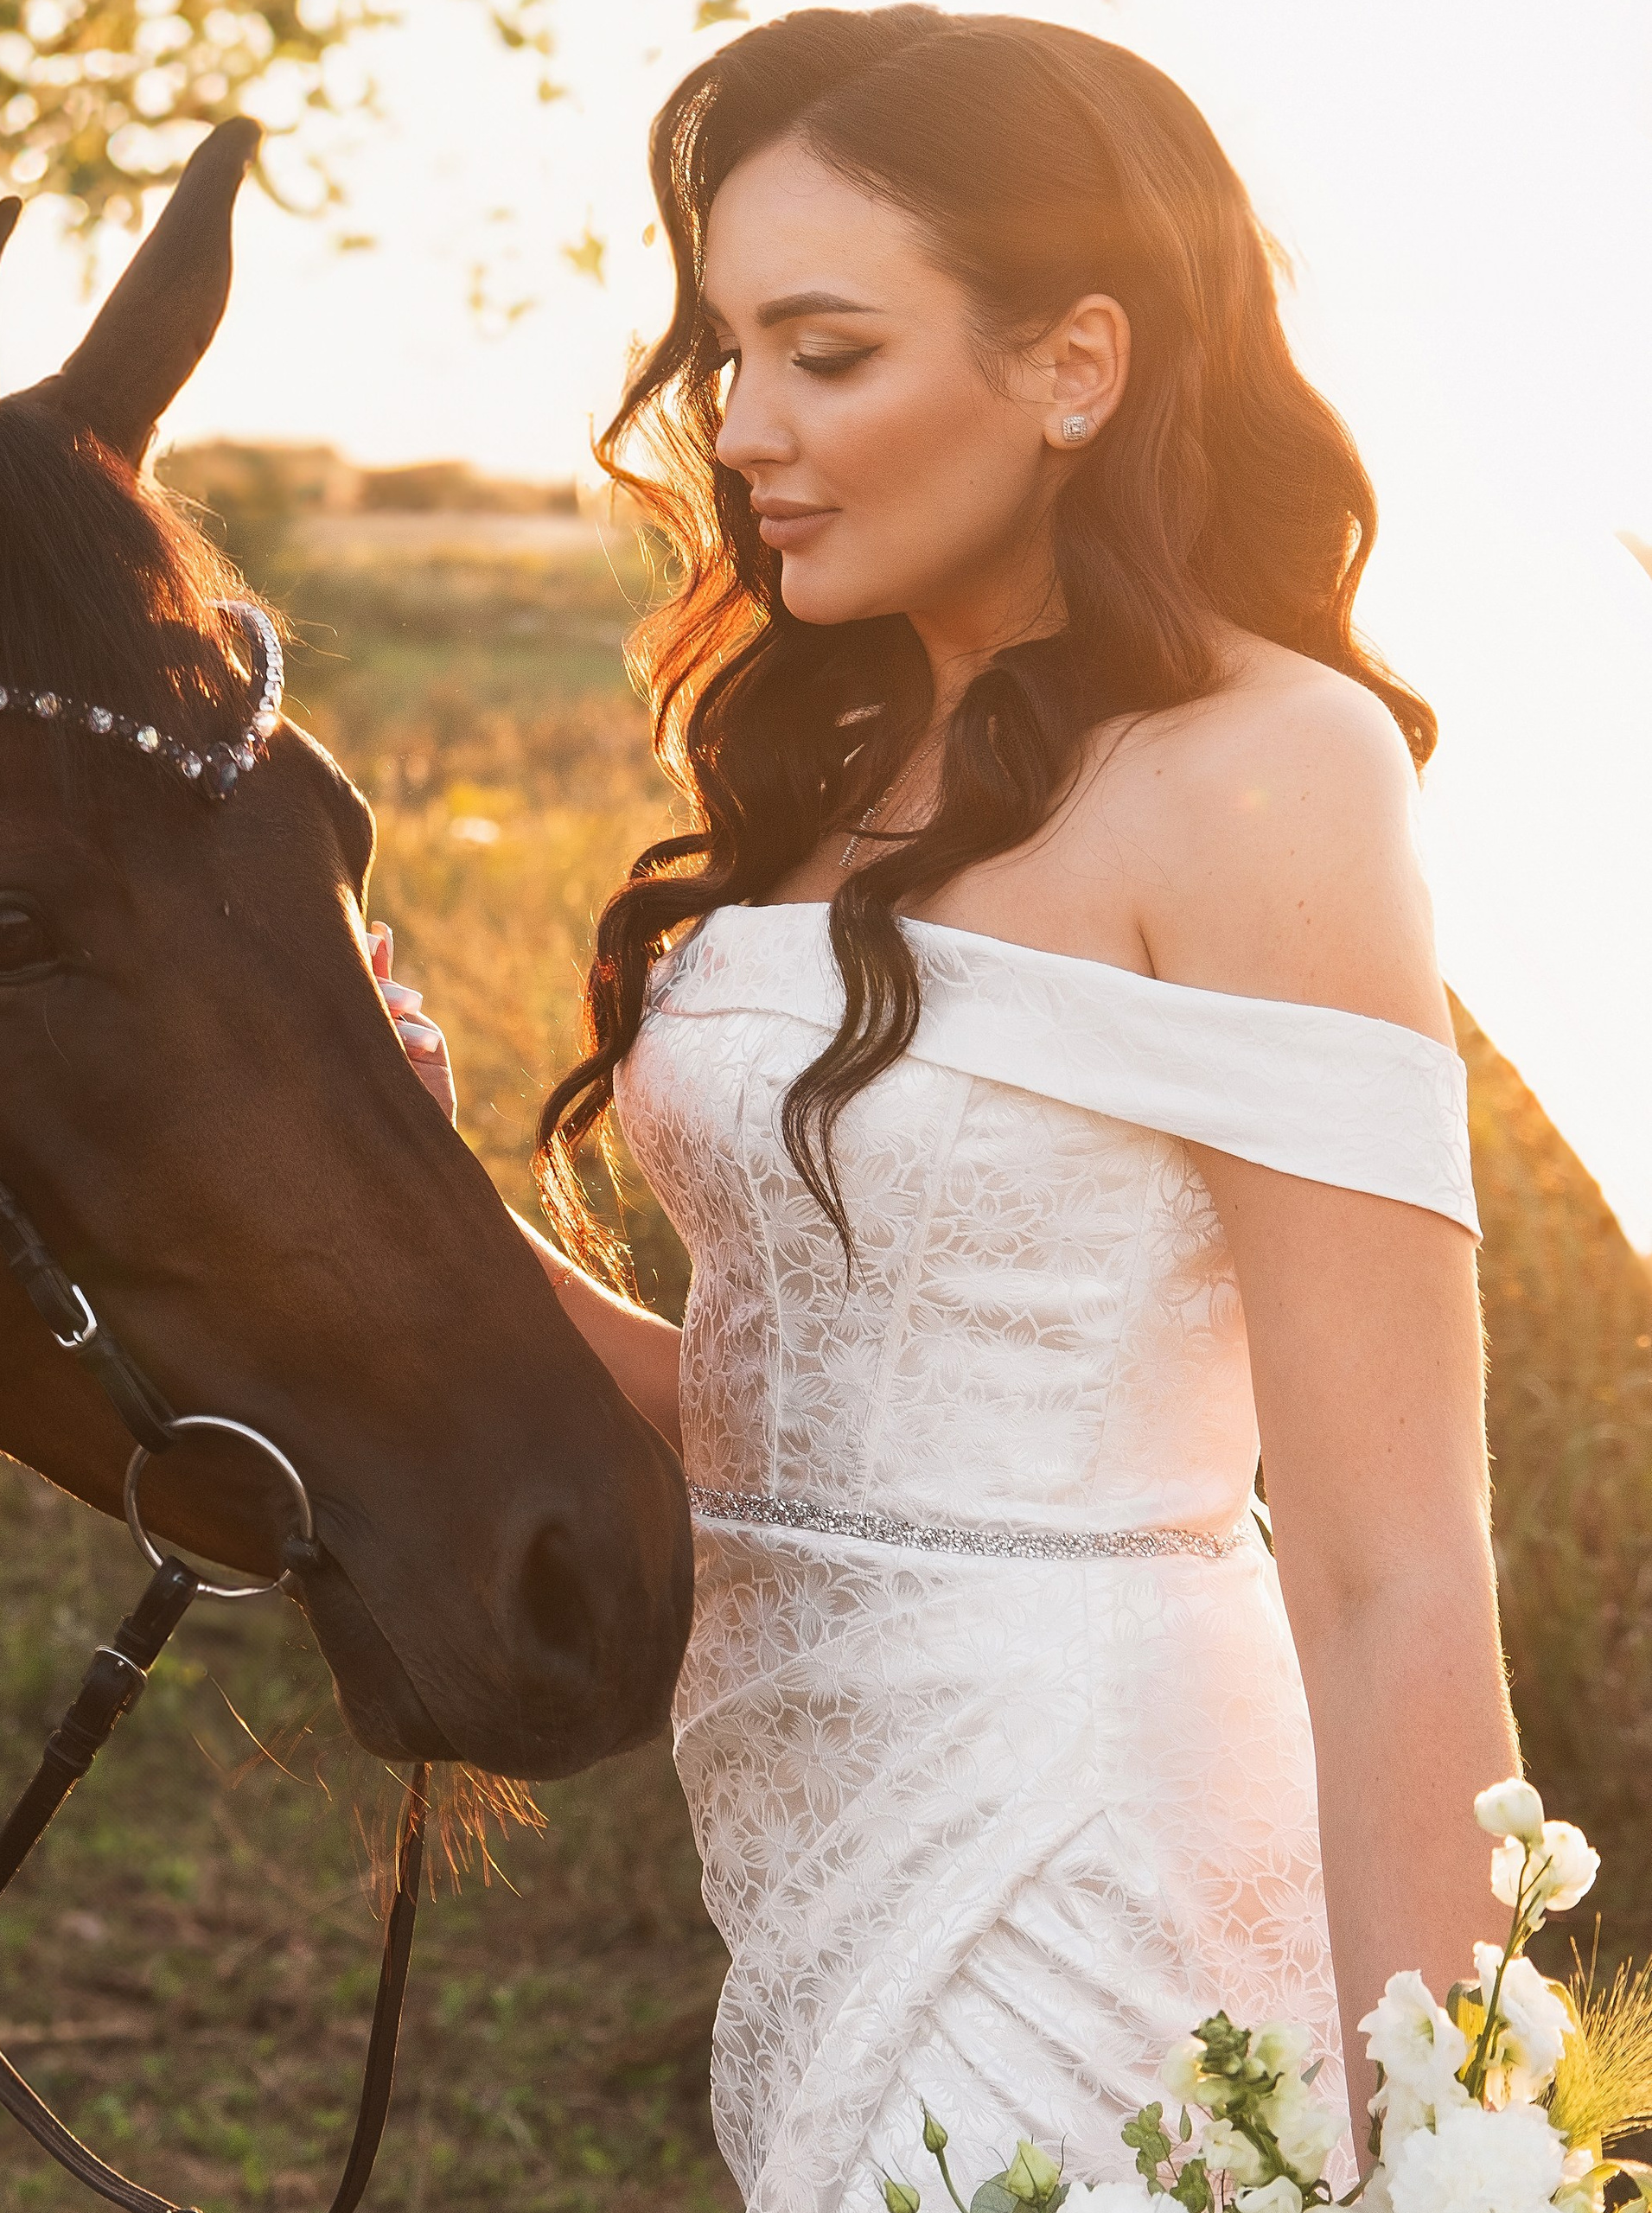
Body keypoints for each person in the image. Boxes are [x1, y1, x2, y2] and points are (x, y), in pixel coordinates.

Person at [373, 10, 1517, 2205]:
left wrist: (1451, 2145)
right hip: (800, 1831)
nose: (740, 432)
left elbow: (1390, 1569)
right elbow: (784, 1433)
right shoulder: (814, 769)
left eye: (823, 352)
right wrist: (425, 1181)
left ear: (1073, 364)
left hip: (1088, 1837)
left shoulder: (1268, 774)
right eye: (723, 354)